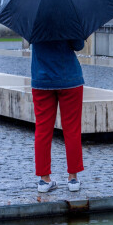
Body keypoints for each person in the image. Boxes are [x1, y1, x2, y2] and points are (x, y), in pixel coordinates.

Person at [31, 39, 85, 192]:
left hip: (42, 79)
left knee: (42, 130)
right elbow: (78, 45)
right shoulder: (69, 17)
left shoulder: (34, 19)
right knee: (72, 129)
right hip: (69, 79)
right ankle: (73, 178)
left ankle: (44, 179)